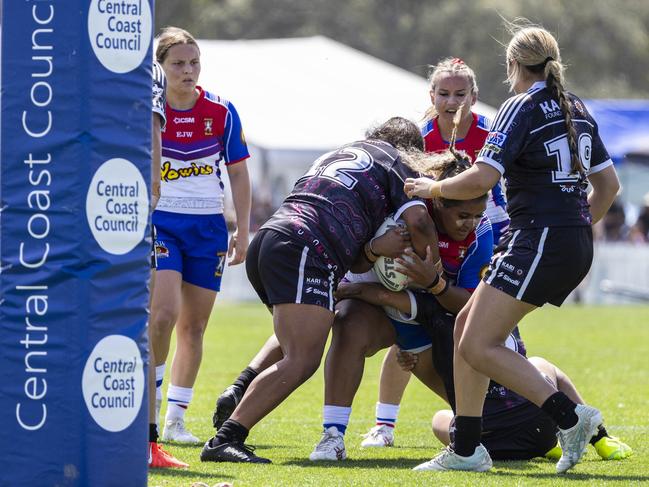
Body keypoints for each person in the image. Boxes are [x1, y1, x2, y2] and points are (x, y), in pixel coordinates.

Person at [404, 23, 621, 474]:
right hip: (565, 239)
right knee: (467, 329)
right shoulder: (575, 106)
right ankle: (466, 449)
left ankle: (570, 417)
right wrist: (575, 228)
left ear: (512, 66)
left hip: (538, 238)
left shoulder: (520, 105)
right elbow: (609, 186)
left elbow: (483, 179)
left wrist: (434, 187)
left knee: (479, 344)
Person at [200, 117, 439, 463]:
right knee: (303, 357)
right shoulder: (396, 160)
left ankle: (242, 384)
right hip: (305, 247)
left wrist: (374, 249)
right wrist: (435, 273)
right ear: (411, 152)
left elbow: (357, 260)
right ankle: (226, 439)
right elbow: (419, 222)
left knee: (304, 335)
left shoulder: (341, 155)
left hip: (271, 239)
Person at [361, 57, 510, 448]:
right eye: (444, 93)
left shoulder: (492, 134)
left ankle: (494, 413)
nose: (452, 101)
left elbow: (501, 193)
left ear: (474, 96)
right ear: (431, 95)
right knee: (406, 322)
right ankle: (384, 425)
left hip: (480, 237)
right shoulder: (420, 138)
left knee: (485, 328)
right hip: (428, 235)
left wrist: (502, 237)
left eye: (461, 94)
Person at [309, 151, 492, 461]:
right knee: (349, 325)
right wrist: (374, 250)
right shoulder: (405, 214)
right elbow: (355, 261)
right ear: (438, 202)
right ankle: (333, 436)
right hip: (381, 308)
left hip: (435, 323)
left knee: (479, 419)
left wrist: (434, 283)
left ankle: (474, 432)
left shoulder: (481, 235)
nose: (471, 224)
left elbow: (473, 305)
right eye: (463, 216)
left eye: (478, 214)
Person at [151, 27, 252, 444]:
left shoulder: (221, 111)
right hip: (162, 224)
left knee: (193, 328)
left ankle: (176, 419)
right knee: (162, 316)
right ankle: (150, 413)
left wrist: (242, 231)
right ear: (160, 68)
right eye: (178, 63)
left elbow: (239, 173)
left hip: (208, 228)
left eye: (194, 62)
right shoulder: (148, 111)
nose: (188, 71)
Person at [147, 60, 188, 469]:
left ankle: (151, 435)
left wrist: (151, 194)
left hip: (126, 212)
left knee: (155, 322)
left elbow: (152, 130)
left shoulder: (146, 68)